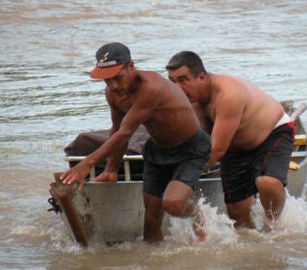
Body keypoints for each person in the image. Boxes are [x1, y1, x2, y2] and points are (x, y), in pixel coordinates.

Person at [60, 43, 211, 243]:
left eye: (118, 77)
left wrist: (87, 164)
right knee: (151, 220)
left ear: (131, 66)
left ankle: (198, 212)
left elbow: (125, 133)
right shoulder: (112, 93)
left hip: (190, 148)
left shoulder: (151, 88)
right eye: (107, 80)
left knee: (173, 204)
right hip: (157, 149)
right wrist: (111, 168)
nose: (113, 86)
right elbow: (116, 129)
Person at [166, 51, 294, 229]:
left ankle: (274, 226)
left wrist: (183, 178)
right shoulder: (186, 99)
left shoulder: (228, 95)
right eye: (172, 81)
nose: (177, 87)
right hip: (233, 146)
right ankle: (253, 244)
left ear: (201, 77)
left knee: (267, 182)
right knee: (237, 215)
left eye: (183, 80)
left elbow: (217, 150)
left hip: (271, 134)